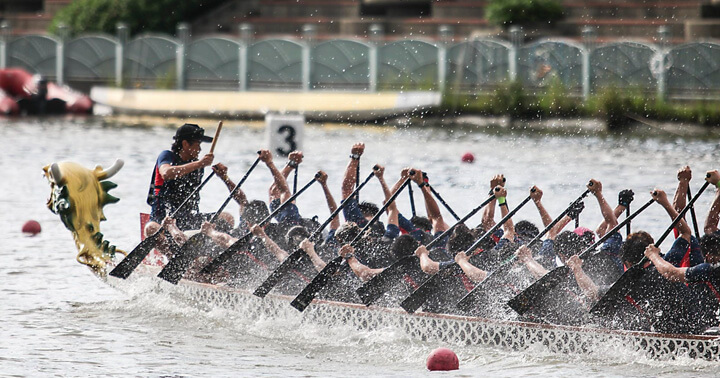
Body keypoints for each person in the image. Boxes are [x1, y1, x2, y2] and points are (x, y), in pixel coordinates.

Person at [145, 123, 233, 238]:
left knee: (227, 217)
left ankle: (217, 249)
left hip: (188, 219)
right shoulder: (167, 156)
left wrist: (223, 176)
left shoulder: (197, 167)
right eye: (198, 144)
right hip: (163, 220)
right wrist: (199, 164)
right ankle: (173, 253)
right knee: (150, 227)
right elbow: (166, 173)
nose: (200, 149)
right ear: (185, 144)